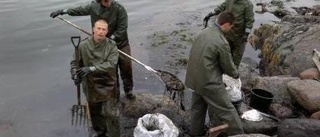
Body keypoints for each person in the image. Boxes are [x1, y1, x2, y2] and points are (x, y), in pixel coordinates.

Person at [51, 0, 135, 100]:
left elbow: (122, 29)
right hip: (103, 46)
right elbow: (79, 10)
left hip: (120, 44)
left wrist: (109, 39)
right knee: (111, 71)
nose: (108, 3)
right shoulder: (93, 6)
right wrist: (63, 11)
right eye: (106, 1)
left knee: (126, 67)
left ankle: (128, 91)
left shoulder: (119, 9)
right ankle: (115, 95)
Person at [185, 11, 243, 136]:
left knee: (197, 110)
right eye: (231, 27)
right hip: (209, 82)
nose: (230, 29)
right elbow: (228, 67)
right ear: (227, 24)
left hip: (193, 80)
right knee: (228, 110)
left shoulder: (201, 33)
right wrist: (236, 75)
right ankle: (240, 134)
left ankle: (195, 134)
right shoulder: (221, 42)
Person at [70, 19, 120, 137]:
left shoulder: (112, 46)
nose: (100, 32)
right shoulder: (82, 46)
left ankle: (115, 134)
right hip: (90, 84)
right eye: (98, 28)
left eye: (103, 29)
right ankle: (100, 132)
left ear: (107, 32)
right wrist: (74, 75)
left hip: (108, 83)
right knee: (94, 113)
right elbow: (74, 63)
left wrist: (91, 69)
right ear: (93, 29)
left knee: (111, 113)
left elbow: (111, 64)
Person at [203, 0, 255, 68]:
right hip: (227, 33)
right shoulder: (229, 1)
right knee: (225, 54)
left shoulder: (247, 4)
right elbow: (220, 8)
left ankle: (233, 73)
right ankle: (223, 70)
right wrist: (210, 14)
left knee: (237, 57)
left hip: (239, 36)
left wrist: (246, 34)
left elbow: (250, 21)